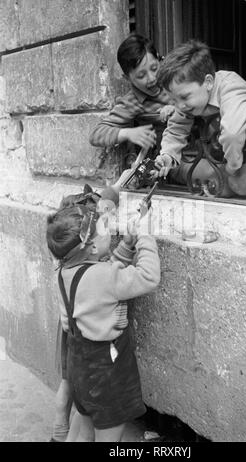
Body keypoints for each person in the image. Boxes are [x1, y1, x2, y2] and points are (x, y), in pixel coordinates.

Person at [46, 183, 160, 442]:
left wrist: (128, 244)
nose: (112, 230)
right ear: (95, 249)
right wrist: (145, 235)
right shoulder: (105, 276)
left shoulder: (66, 272)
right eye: (106, 230)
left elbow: (101, 280)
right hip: (108, 372)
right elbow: (149, 277)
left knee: (85, 429)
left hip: (80, 368)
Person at [153, 39, 246, 197]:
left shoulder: (229, 87)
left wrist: (232, 168)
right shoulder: (186, 102)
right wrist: (167, 156)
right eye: (173, 101)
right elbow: (176, 130)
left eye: (184, 97)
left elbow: (232, 133)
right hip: (235, 149)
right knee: (222, 188)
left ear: (208, 82)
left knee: (239, 185)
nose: (179, 106)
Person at [89, 34, 175, 174]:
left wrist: (179, 108)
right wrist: (128, 133)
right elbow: (96, 135)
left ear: (159, 58)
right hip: (172, 162)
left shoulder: (175, 76)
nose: (152, 78)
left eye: (154, 68)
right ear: (127, 78)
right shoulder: (131, 102)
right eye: (141, 76)